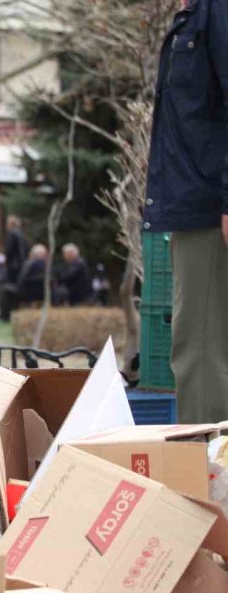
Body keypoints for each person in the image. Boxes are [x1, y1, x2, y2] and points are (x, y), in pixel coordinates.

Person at [143, 0, 228, 424]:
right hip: (198, 206)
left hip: (209, 211)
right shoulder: (194, 16)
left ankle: (209, 482)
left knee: (199, 353)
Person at [0, 244, 48, 321]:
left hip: (26, 292)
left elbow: (22, 279)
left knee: (5, 290)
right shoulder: (47, 265)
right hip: (42, 293)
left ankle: (4, 316)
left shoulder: (30, 264)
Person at [3, 215, 30, 286]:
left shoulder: (12, 234)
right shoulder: (21, 234)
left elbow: (9, 249)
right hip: (21, 263)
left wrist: (6, 260)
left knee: (11, 285)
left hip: (13, 265)